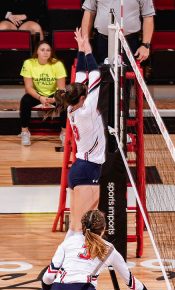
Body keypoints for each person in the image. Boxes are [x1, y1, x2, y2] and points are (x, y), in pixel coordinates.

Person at [36, 209, 168, 290]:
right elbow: (131, 283)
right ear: (104, 229)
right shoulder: (109, 249)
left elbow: (48, 277)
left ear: (83, 226)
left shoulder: (68, 242)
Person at [52, 28, 105, 236]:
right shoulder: (87, 109)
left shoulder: (72, 107)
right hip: (87, 170)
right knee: (81, 229)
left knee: (76, 228)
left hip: (80, 168)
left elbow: (81, 76)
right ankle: (66, 264)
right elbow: (94, 74)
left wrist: (81, 49)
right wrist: (88, 50)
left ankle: (62, 263)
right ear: (83, 98)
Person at [19, 41, 67, 146]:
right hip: (37, 94)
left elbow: (62, 89)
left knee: (65, 102)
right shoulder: (29, 63)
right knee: (25, 100)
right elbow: (28, 87)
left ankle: (64, 133)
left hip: (54, 94)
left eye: (48, 50)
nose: (45, 52)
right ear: (37, 52)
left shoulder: (57, 64)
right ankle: (25, 132)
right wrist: (40, 97)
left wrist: (55, 99)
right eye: (42, 50)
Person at [81, 0, 155, 64]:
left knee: (128, 76)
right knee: (102, 75)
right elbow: (89, 13)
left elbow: (148, 17)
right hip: (103, 41)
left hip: (129, 42)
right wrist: (85, 42)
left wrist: (145, 45)